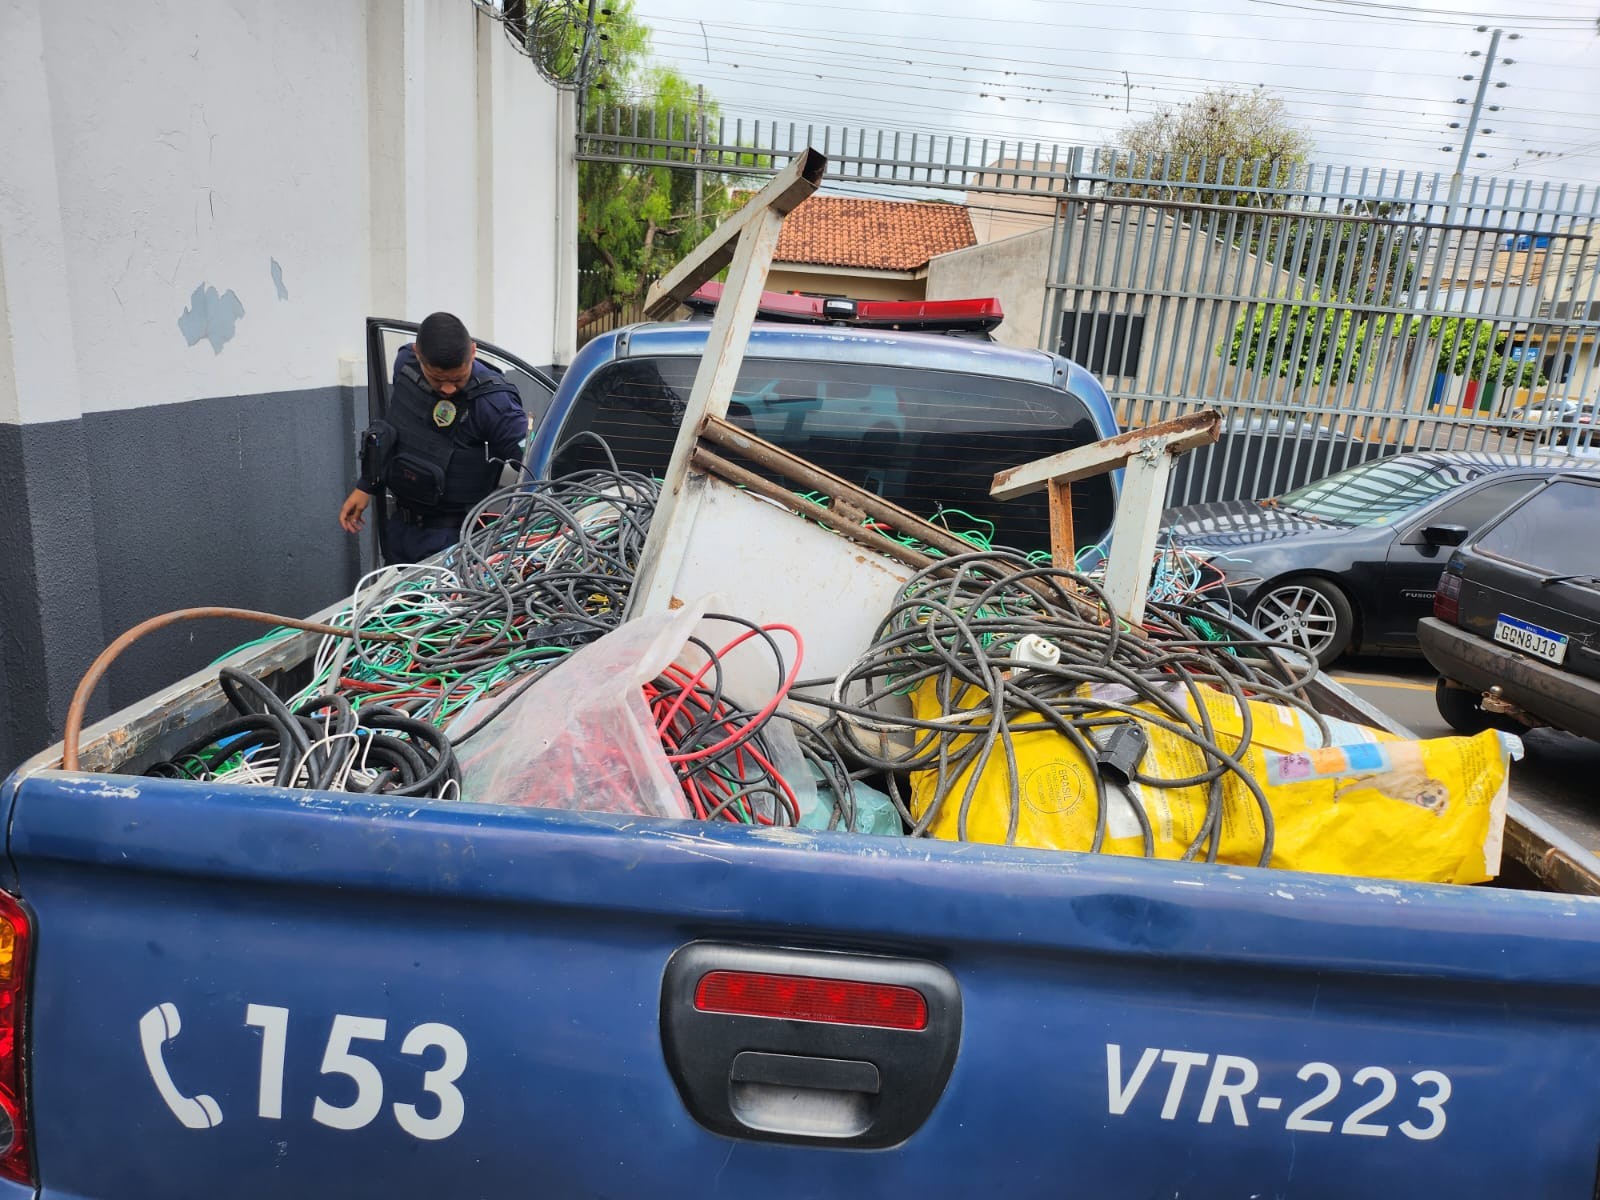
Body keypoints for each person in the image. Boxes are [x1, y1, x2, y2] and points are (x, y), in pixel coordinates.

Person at [339, 312, 529, 564]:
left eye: (457, 379)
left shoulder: (494, 402)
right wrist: (366, 485)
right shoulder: (405, 366)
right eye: (438, 379)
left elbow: (535, 465)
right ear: (418, 355)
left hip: (453, 542)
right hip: (400, 531)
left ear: (473, 352)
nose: (448, 389)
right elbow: (394, 431)